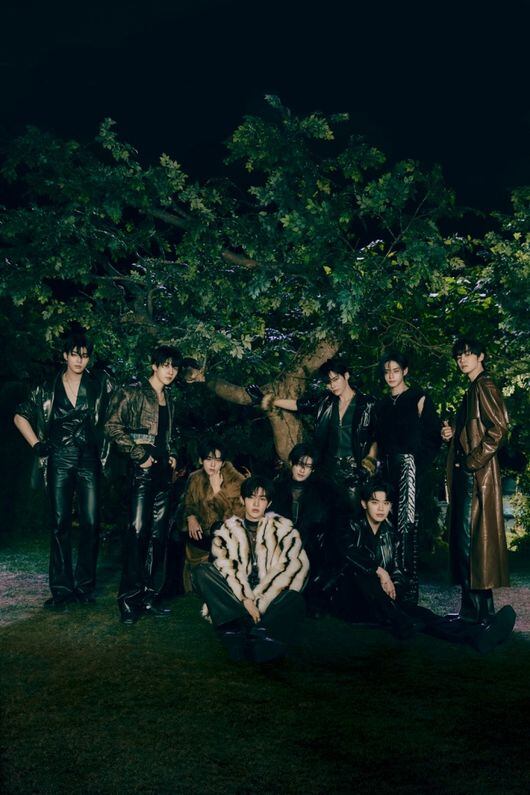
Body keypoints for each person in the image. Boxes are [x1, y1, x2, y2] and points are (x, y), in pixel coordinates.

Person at [329, 480, 515, 652]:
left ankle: (476, 636)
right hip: (355, 600)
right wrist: (380, 572)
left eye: (386, 503)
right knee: (366, 577)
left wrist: (394, 587)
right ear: (364, 504)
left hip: (385, 602)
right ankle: (402, 622)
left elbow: (398, 571)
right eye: (374, 502)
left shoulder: (391, 534)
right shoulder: (351, 526)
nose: (381, 508)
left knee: (424, 615)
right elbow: (348, 554)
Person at [14, 331, 113, 608]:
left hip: (89, 459)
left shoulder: (100, 384)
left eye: (85, 356)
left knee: (91, 523)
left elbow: (119, 411)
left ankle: (84, 587)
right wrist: (37, 445)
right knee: (60, 524)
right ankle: (61, 590)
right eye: (75, 355)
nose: (80, 360)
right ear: (65, 356)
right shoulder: (47, 387)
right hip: (59, 459)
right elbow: (20, 416)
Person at [193, 476, 309, 663]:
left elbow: (293, 567)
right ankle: (246, 629)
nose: (256, 504)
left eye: (262, 499)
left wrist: (260, 602)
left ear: (268, 503)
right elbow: (226, 569)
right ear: (242, 499)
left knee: (294, 598)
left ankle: (256, 633)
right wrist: (246, 599)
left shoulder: (285, 531)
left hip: (270, 600)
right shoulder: (227, 532)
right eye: (251, 497)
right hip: (237, 601)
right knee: (202, 571)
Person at [441, 337, 515, 630]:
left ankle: (479, 615)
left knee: (471, 544)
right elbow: (473, 432)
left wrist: (472, 461)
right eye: (459, 355)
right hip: (469, 475)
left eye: (468, 354)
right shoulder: (473, 388)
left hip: (476, 476)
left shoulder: (484, 385)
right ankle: (473, 612)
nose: (462, 359)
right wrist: (452, 434)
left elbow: (499, 429)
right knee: (467, 544)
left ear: (481, 356)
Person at [105, 345, 182, 624]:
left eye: (174, 367)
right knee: (137, 533)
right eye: (165, 365)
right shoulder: (132, 392)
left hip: (163, 474)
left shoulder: (169, 398)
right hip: (141, 472)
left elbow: (168, 434)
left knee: (158, 537)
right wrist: (140, 455)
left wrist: (172, 454)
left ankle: (149, 597)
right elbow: (112, 426)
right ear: (154, 365)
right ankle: (128, 601)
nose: (170, 371)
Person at [263, 358, 378, 514]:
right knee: (325, 514)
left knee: (354, 514)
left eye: (335, 379)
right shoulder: (325, 401)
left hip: (355, 469)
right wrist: (270, 401)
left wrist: (368, 465)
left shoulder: (368, 403)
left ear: (346, 376)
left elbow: (376, 437)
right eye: (328, 382)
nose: (332, 385)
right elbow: (298, 404)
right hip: (327, 468)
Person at [374, 351, 441, 604]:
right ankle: (386, 589)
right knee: (385, 523)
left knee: (407, 525)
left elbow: (433, 437)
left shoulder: (418, 397)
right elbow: (377, 440)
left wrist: (414, 465)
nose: (391, 376)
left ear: (405, 371)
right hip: (384, 470)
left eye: (395, 371)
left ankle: (408, 593)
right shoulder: (381, 404)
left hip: (409, 469)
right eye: (387, 372)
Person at [270, 443, 337, 615]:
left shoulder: (322, 492)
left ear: (312, 470)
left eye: (308, 466)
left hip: (310, 546)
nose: (302, 470)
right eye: (300, 464)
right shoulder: (277, 488)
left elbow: (327, 524)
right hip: (281, 544)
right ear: (291, 463)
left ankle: (307, 600)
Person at [182, 437, 247, 590]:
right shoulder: (195, 478)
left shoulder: (236, 481)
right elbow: (187, 503)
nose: (213, 464)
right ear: (201, 460)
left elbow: (237, 519)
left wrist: (218, 491)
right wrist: (190, 517)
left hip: (227, 542)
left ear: (223, 462)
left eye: (217, 460)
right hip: (199, 541)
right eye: (209, 459)